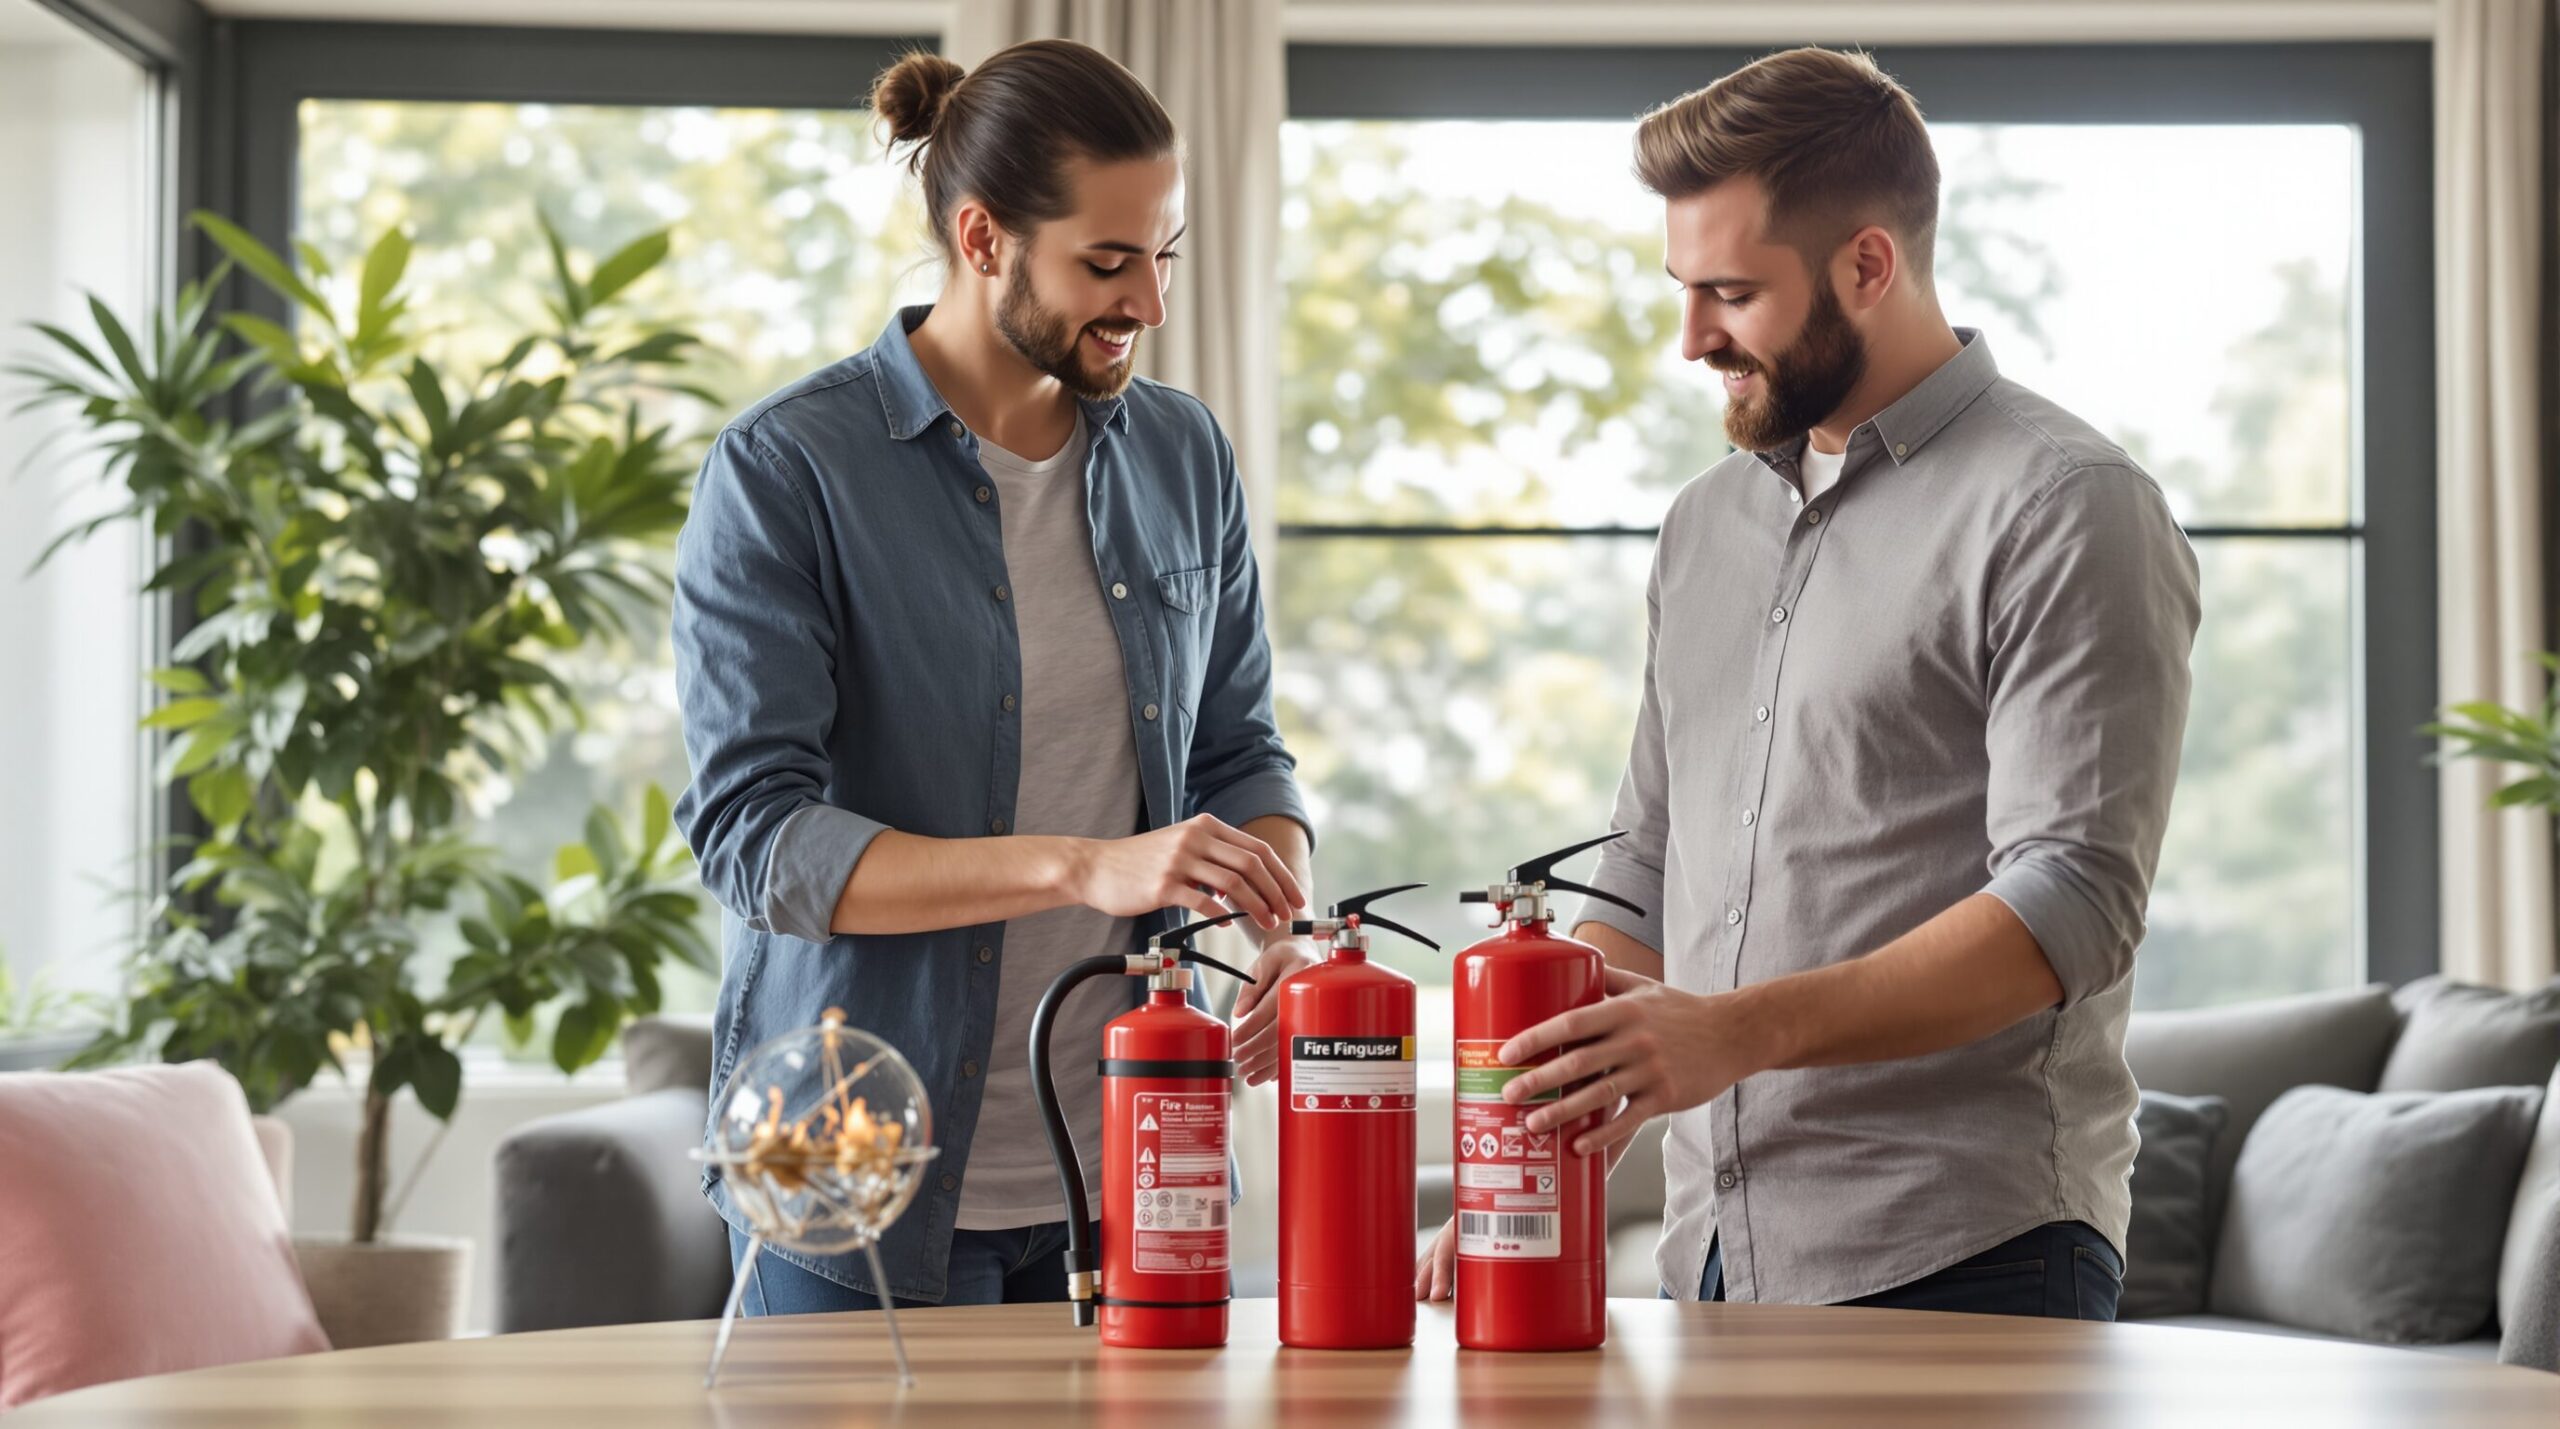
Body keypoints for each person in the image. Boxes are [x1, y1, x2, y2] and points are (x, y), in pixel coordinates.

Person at [1418, 46, 2199, 1320]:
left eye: (1731, 293)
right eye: (1683, 290)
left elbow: (2070, 901)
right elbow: (1646, 864)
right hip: (1712, 1260)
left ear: (1867, 266)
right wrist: (1539, 1146)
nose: (1691, 339)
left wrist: (1732, 1029)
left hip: (1971, 1257)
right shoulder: (1703, 524)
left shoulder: (2065, 505)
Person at [673, 40, 1317, 1314]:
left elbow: (1238, 749)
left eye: (1165, 255)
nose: (1150, 303)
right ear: (981, 238)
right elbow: (757, 841)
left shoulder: (1184, 454)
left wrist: (1284, 924)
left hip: (1141, 1165)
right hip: (847, 1174)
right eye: (1107, 263)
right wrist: (1080, 865)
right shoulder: (787, 468)